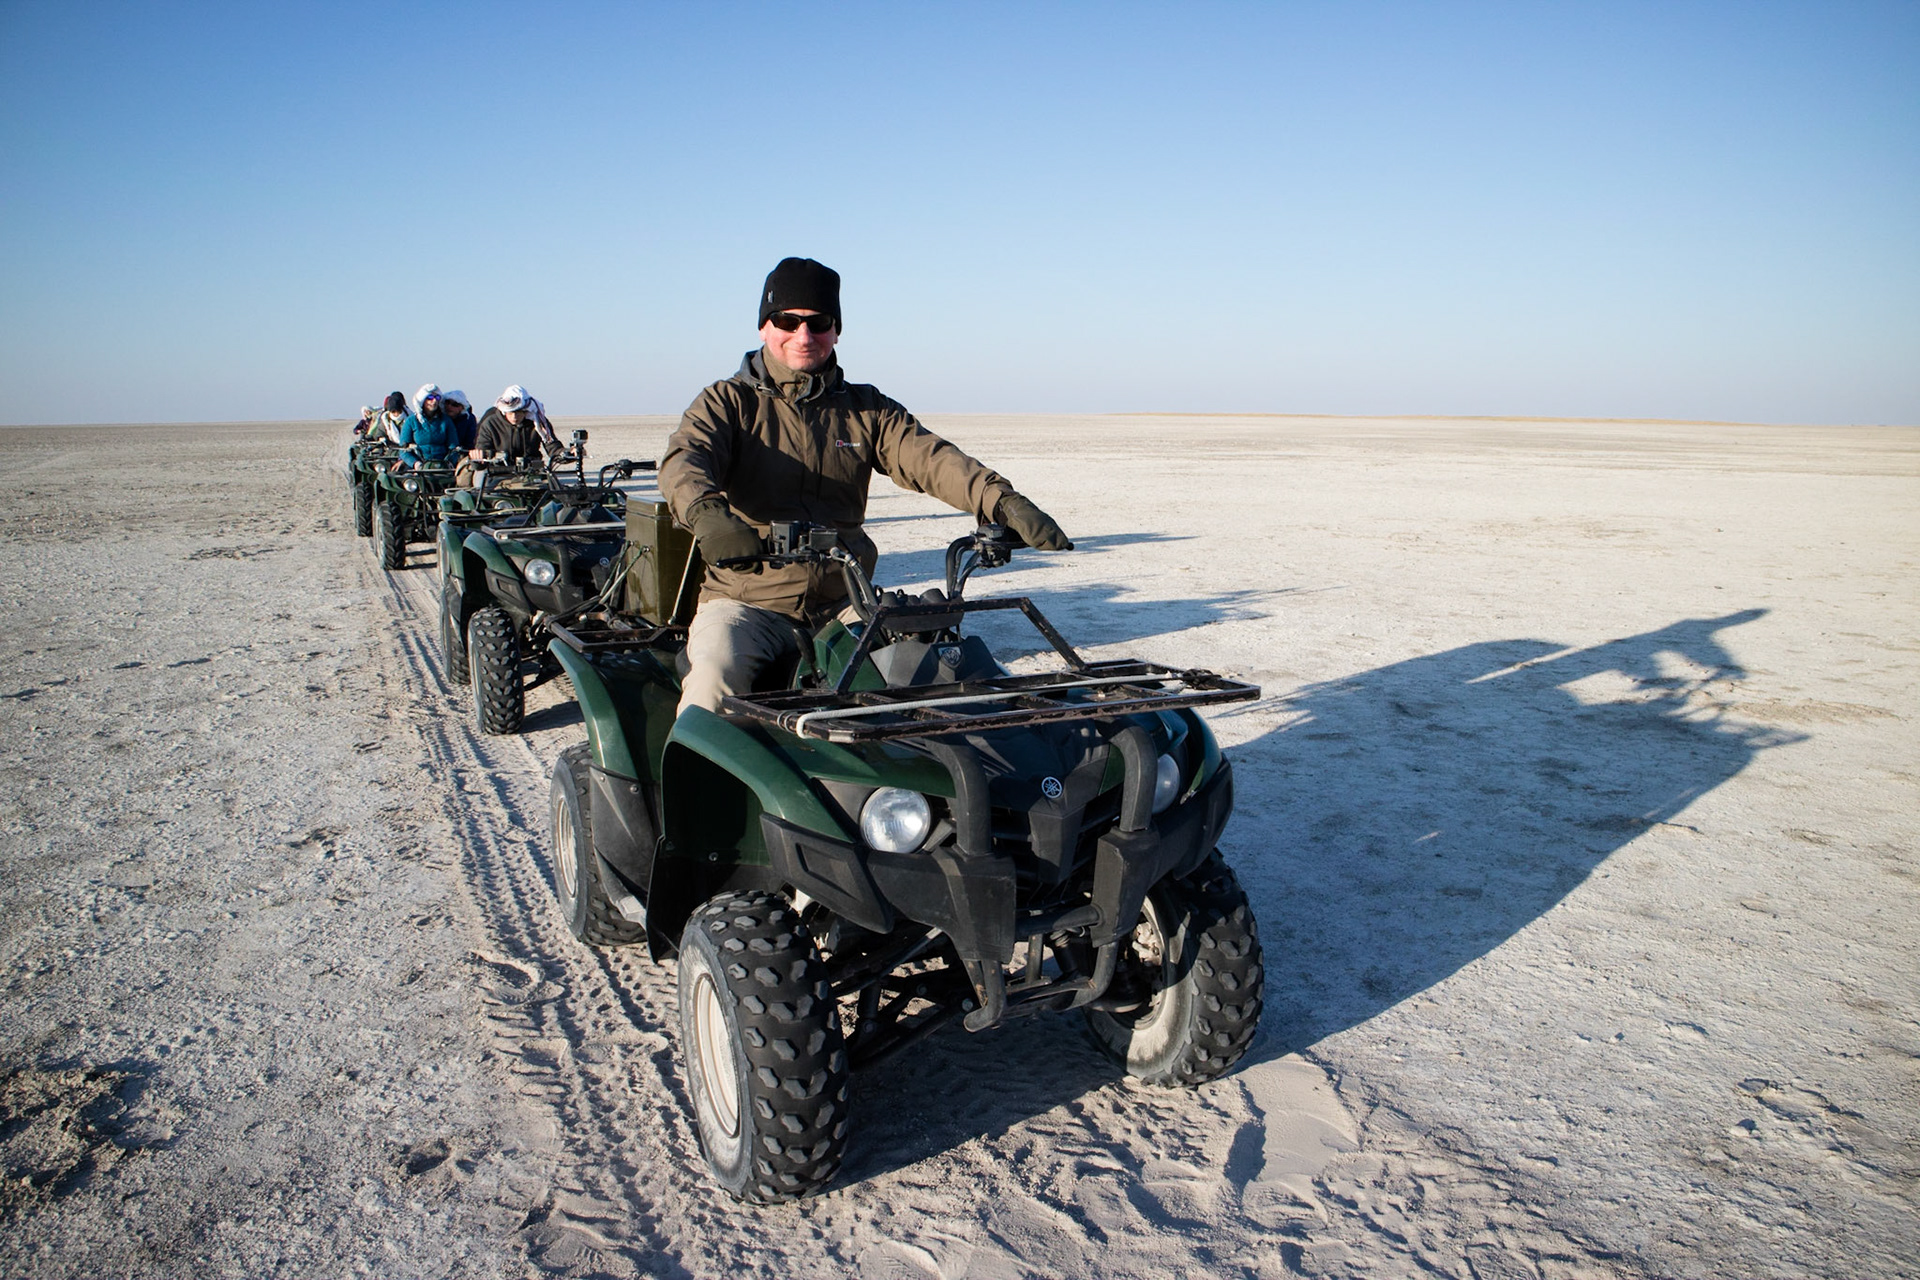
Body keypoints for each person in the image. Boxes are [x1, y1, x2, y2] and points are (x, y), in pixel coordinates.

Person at [659, 256, 1070, 716]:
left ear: (836, 330)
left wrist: (1001, 501)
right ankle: (690, 760)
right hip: (746, 603)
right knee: (713, 683)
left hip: (845, 602)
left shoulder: (866, 408)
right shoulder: (726, 402)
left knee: (933, 669)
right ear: (764, 327)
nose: (803, 335)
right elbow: (686, 460)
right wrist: (707, 513)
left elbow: (931, 459)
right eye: (787, 321)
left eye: (818, 323)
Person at [396, 383, 462, 464]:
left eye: (437, 397)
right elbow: (403, 450)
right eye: (430, 397)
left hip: (442, 465)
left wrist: (448, 463)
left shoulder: (446, 421)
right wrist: (415, 463)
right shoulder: (411, 421)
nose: (434, 401)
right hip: (418, 466)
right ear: (422, 400)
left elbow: (454, 447)